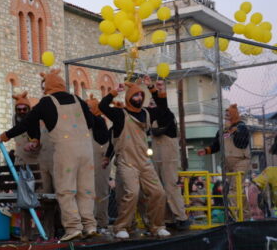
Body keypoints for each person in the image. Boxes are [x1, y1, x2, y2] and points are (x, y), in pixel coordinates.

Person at [0, 68, 97, 241]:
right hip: (86, 150)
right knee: (85, 189)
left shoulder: (46, 102)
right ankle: (90, 225)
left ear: (48, 86)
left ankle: (73, 227)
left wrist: (4, 136)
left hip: (66, 151)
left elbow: (27, 122)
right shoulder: (77, 99)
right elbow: (91, 122)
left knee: (66, 190)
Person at [98, 79, 171, 239]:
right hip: (126, 162)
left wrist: (154, 89)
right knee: (132, 193)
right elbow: (102, 106)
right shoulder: (119, 114)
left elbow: (163, 109)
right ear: (129, 97)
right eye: (136, 95)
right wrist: (114, 92)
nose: (139, 98)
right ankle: (121, 227)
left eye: (141, 95)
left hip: (145, 163)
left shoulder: (146, 113)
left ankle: (157, 226)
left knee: (158, 193)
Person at [147, 78, 191, 230]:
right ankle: (167, 218)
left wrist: (157, 89)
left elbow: (162, 106)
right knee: (159, 187)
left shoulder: (166, 114)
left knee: (170, 185)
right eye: (149, 104)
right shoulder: (150, 118)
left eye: (153, 103)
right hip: (157, 156)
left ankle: (181, 217)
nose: (150, 106)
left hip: (168, 154)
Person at [197, 104, 251, 220]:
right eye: (225, 114)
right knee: (237, 190)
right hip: (228, 164)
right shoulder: (222, 131)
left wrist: (233, 130)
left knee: (234, 189)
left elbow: (241, 143)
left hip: (241, 161)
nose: (226, 116)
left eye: (229, 113)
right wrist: (206, 150)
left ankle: (234, 217)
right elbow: (216, 145)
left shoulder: (241, 127)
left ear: (234, 115)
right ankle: (246, 216)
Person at [85, 94, 111, 232]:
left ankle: (101, 221)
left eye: (89, 108)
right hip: (89, 163)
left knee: (100, 191)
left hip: (100, 162)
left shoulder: (99, 121)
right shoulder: (90, 122)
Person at [11, 91, 39, 166]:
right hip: (19, 161)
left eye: (24, 109)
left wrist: (34, 142)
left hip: (34, 161)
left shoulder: (35, 119)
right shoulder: (14, 118)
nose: (22, 111)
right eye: (19, 109)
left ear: (28, 109)